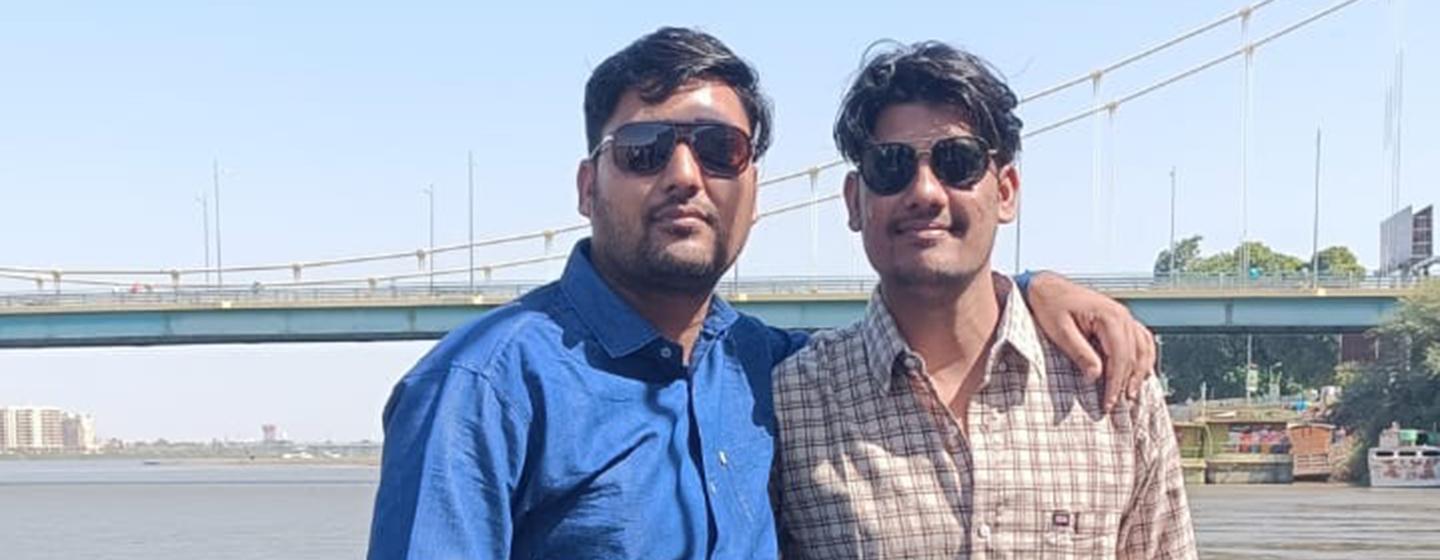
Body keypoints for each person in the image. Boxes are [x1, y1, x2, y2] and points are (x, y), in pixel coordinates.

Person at [368, 28, 1157, 559]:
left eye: (718, 150)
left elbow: (934, 313)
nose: (684, 176)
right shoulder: (485, 385)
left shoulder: (769, 371)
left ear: (752, 187)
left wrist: (1033, 289)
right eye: (644, 150)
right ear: (587, 185)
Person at [772, 41, 1196, 558]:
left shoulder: (1113, 386)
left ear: (1008, 191)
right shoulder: (789, 403)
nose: (926, 192)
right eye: (890, 167)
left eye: (958, 162)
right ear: (854, 202)